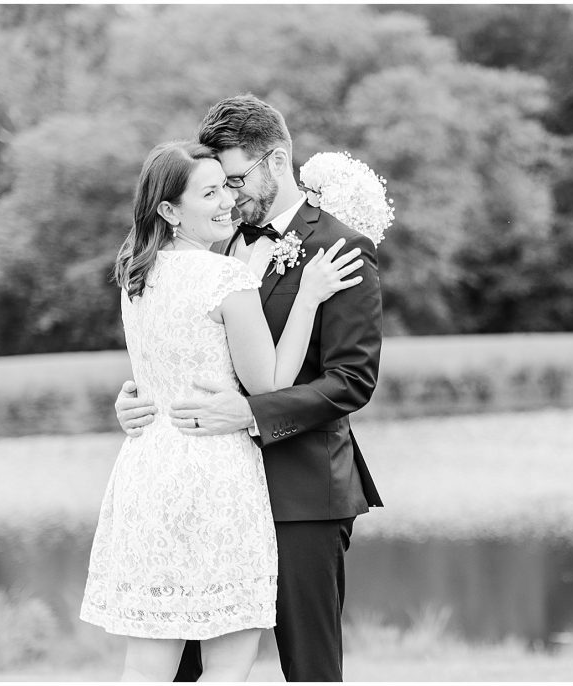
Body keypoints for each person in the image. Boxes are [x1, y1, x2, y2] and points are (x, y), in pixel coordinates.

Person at [114, 95, 384, 682]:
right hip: (207, 488)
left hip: (302, 491)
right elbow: (191, 340)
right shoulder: (214, 244)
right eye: (218, 186)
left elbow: (350, 380)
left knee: (309, 669)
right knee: (188, 666)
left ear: (277, 161)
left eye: (236, 180)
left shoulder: (338, 247)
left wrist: (250, 415)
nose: (230, 197)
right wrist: (138, 396)